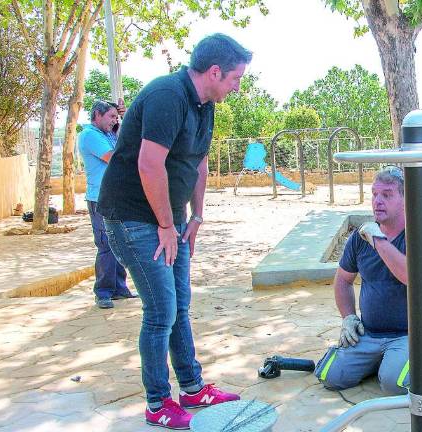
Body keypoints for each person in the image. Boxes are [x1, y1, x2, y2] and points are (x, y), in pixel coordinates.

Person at [96, 34, 252, 430]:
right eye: (235, 78)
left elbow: (197, 164)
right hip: (133, 217)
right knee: (161, 309)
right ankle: (157, 402)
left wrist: (194, 218)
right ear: (214, 72)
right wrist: (166, 225)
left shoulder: (205, 105)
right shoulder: (167, 95)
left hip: (172, 220)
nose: (237, 86)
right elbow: (150, 166)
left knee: (180, 304)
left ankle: (192, 387)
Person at [314, 166, 422, 395]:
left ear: (407, 199)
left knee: (394, 384)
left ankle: (406, 359)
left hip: (413, 334)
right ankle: (385, 360)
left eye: (387, 195)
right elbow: (343, 281)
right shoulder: (360, 237)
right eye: (375, 194)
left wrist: (378, 239)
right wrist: (348, 317)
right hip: (371, 333)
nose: (377, 201)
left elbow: (411, 278)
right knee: (329, 376)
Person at [78, 99, 137, 309]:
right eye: (111, 117)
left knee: (119, 243)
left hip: (115, 195)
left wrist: (125, 118)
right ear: (97, 115)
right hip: (99, 197)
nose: (114, 120)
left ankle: (119, 288)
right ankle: (102, 291)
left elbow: (127, 142)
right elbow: (115, 157)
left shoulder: (109, 134)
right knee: (105, 245)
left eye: (115, 116)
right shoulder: (90, 135)